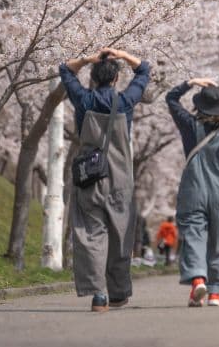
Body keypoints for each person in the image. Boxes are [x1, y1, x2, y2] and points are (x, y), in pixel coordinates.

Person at [61, 46, 151, 312]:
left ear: (93, 78)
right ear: (116, 79)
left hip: (90, 178)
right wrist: (122, 54)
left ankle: (99, 294)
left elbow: (65, 70)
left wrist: (87, 59)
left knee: (91, 235)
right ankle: (118, 293)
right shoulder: (125, 101)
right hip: (120, 180)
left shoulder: (83, 100)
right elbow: (144, 70)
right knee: (121, 235)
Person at [168, 78, 219, 308]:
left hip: (194, 189)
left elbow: (171, 98)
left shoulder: (189, 125)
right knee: (217, 241)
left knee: (193, 236)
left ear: (199, 106)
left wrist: (190, 83)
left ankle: (198, 279)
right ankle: (215, 293)